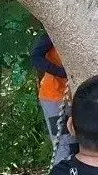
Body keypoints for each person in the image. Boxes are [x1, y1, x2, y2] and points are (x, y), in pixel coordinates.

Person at [29, 31, 76, 163]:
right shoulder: (53, 32)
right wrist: (62, 72)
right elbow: (35, 57)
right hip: (54, 96)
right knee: (64, 144)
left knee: (79, 145)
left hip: (79, 97)